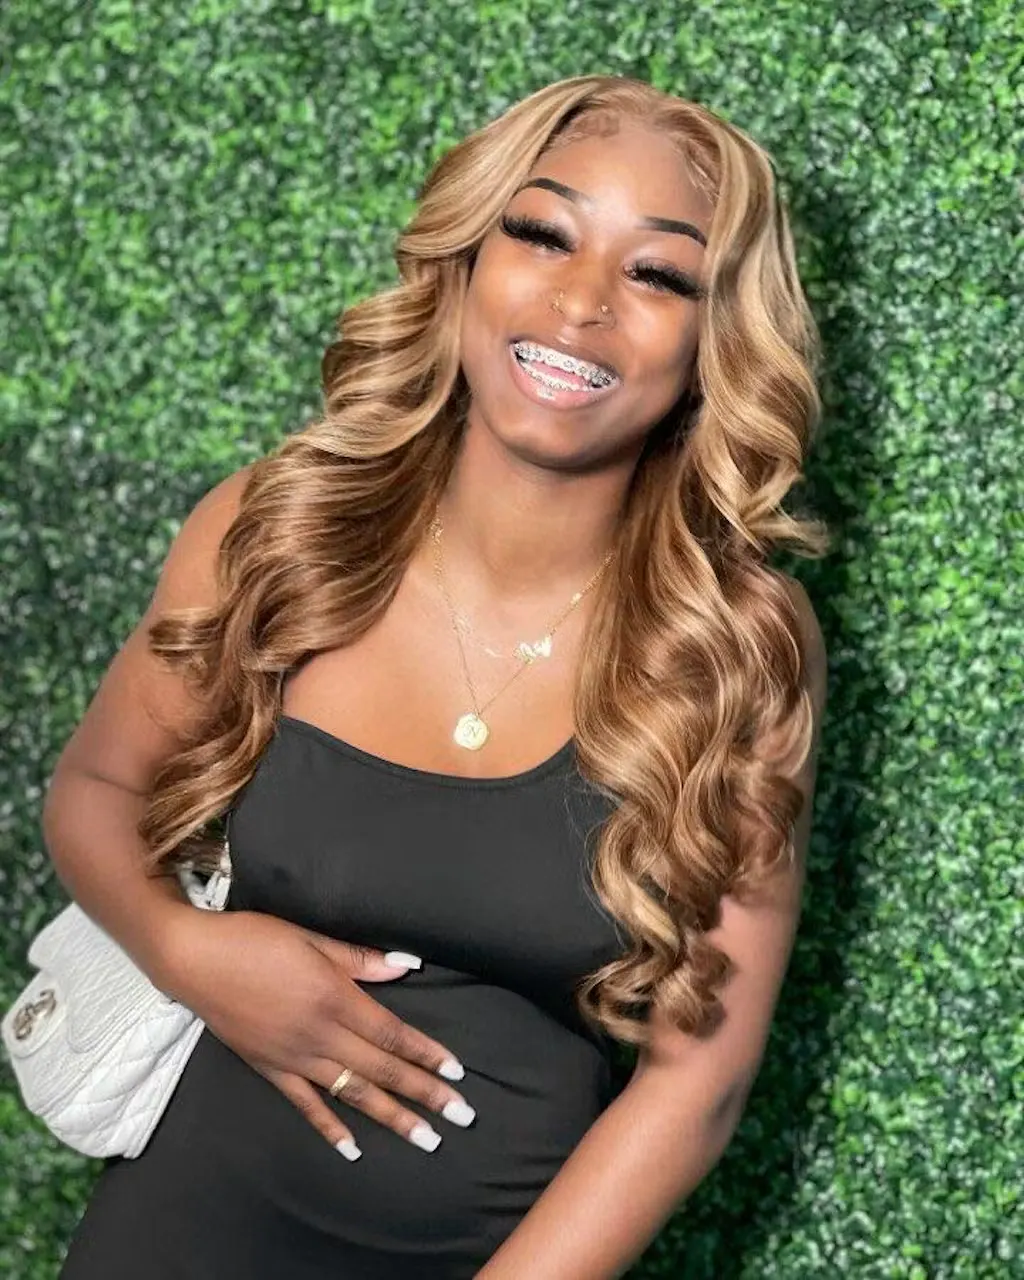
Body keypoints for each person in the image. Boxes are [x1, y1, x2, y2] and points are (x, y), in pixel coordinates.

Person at [45, 74, 828, 1279]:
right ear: (465, 258)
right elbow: (95, 790)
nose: (582, 301)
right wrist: (183, 946)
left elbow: (700, 1078)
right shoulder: (279, 529)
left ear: (712, 338)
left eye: (657, 273)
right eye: (544, 232)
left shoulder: (734, 643)